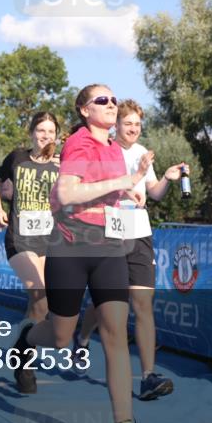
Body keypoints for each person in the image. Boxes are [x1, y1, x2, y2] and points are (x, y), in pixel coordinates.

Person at [12, 85, 158, 423]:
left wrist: (126, 194)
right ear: (83, 111)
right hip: (70, 249)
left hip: (108, 248)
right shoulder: (79, 143)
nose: (111, 105)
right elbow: (68, 193)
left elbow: (98, 190)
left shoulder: (111, 148)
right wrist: (125, 181)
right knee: (60, 337)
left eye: (113, 99)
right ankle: (26, 341)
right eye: (102, 101)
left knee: (114, 335)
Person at [73, 99, 185, 401]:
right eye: (128, 123)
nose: (134, 128)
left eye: (137, 124)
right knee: (108, 302)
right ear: (116, 125)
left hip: (138, 231)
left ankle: (149, 377)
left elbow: (153, 195)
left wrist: (166, 179)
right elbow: (90, 187)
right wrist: (124, 188)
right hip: (108, 229)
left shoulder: (140, 153)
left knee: (142, 302)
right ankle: (82, 338)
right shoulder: (103, 151)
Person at [0, 111, 61, 331]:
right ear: (31, 133)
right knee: (41, 296)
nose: (46, 135)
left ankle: (23, 356)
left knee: (41, 305)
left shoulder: (63, 165)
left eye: (51, 131)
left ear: (56, 136)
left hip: (49, 241)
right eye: (41, 130)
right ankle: (24, 347)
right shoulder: (17, 157)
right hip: (19, 238)